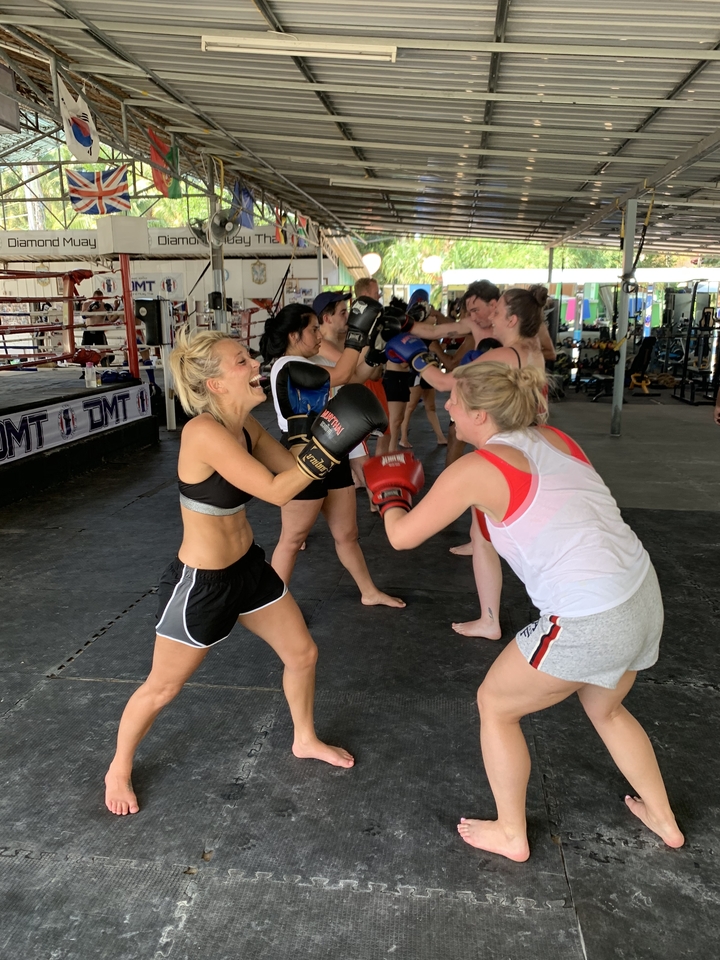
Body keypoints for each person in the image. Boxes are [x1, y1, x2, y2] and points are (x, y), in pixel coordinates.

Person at [364, 360, 684, 861]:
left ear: (482, 416)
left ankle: (512, 833)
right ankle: (664, 818)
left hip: (590, 617)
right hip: (641, 595)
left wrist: (388, 492)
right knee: (606, 707)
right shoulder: (556, 438)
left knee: (495, 705)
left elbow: (402, 537)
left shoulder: (476, 468)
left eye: (456, 401)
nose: (446, 405)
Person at [104, 329, 384, 815]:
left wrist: (312, 429)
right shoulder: (202, 433)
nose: (255, 363)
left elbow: (296, 476)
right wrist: (334, 441)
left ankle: (304, 738)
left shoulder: (246, 426)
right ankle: (118, 767)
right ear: (214, 384)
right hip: (204, 585)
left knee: (302, 653)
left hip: (249, 569)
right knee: (163, 687)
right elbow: (278, 491)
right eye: (241, 361)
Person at [387, 286, 548, 639]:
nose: (489, 315)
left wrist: (415, 358)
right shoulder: (531, 347)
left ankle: (491, 618)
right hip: (529, 440)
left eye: (498, 309)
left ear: (511, 319)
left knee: (488, 533)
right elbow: (439, 333)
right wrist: (410, 327)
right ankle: (490, 608)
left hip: (506, 445)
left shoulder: (507, 355)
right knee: (482, 530)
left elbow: (445, 383)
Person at [262, 303, 404, 608]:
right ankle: (271, 608)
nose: (318, 335)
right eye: (312, 329)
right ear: (293, 335)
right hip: (302, 457)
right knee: (292, 539)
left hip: (333, 448)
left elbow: (355, 377)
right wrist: (357, 334)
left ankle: (368, 591)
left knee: (347, 533)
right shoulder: (286, 365)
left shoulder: (311, 362)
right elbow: (341, 375)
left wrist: (375, 351)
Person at [399, 290, 447, 448]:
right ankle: (403, 437)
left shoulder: (431, 334)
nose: (434, 317)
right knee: (411, 406)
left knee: (430, 406)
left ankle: (440, 436)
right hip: (417, 373)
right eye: (431, 315)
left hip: (429, 370)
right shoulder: (416, 334)